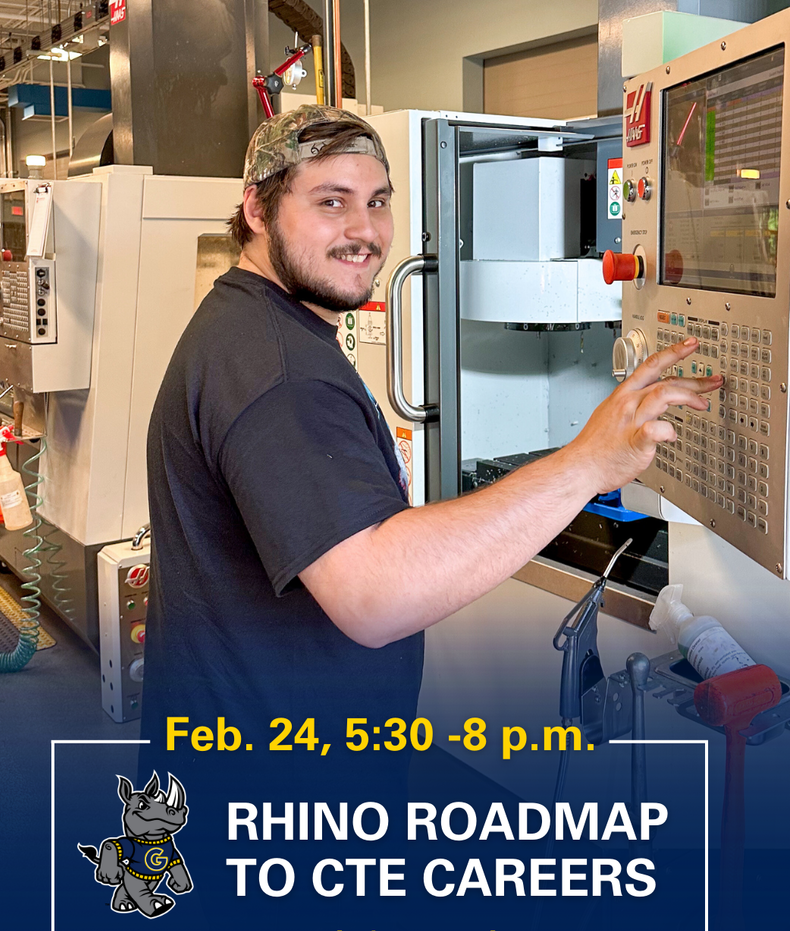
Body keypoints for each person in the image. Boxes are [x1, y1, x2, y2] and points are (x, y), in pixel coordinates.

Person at [143, 105, 720, 767]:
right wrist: (586, 463)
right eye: (331, 202)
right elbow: (375, 596)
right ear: (256, 208)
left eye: (377, 201)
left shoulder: (243, 325)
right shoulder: (279, 375)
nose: (364, 231)